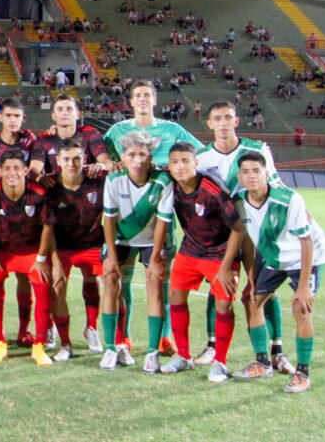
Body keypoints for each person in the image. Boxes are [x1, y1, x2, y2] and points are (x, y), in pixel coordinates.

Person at [194, 101, 291, 372]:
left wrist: (293, 212)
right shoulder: (202, 158)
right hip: (221, 234)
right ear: (209, 123)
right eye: (218, 118)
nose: (223, 123)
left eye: (228, 117)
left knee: (263, 288)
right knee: (218, 287)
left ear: (236, 121)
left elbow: (275, 183)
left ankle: (276, 353)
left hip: (256, 231)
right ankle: (212, 346)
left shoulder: (257, 149)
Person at [232, 153, 325, 394]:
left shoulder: (288, 199)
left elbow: (306, 242)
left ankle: (303, 373)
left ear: (267, 174)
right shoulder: (240, 201)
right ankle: (263, 363)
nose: (251, 176)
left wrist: (304, 286)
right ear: (239, 177)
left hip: (306, 256)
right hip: (275, 257)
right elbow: (255, 239)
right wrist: (253, 277)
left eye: (257, 171)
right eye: (246, 172)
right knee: (252, 301)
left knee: (301, 307)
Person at [152, 143, 244, 382]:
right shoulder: (170, 181)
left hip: (221, 253)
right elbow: (144, 169)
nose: (180, 166)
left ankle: (220, 362)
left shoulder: (212, 189)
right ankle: (183, 356)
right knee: (175, 295)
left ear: (196, 163)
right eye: (175, 161)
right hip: (191, 249)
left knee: (223, 305)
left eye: (185, 161)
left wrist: (226, 267)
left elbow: (238, 228)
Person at [97, 131, 175, 373]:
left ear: (150, 156)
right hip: (121, 239)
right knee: (111, 282)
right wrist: (110, 255)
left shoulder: (162, 181)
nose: (138, 159)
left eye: (143, 154)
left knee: (155, 284)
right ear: (123, 156)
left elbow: (163, 221)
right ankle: (111, 346)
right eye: (132, 154)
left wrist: (155, 257)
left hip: (153, 239)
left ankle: (152, 352)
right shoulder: (114, 179)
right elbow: (109, 220)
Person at [0, 150, 56, 367]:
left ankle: (38, 344)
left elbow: (48, 225)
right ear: (0, 171)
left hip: (32, 251)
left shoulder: (39, 193)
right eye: (7, 168)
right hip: (3, 251)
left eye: (17, 168)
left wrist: (41, 258)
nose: (12, 173)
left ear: (25, 170)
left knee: (42, 285)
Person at [0, 98, 38, 346]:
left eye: (17, 116)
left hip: (26, 218)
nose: (13, 120)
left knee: (25, 278)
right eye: (8, 115)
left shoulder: (31, 142)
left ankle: (24, 330)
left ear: (23, 119)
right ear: (0, 117)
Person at [46, 138, 107, 361]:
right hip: (61, 247)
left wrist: (105, 166)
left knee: (97, 282)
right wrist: (53, 257)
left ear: (85, 160)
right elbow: (47, 227)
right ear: (58, 161)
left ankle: (91, 328)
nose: (72, 163)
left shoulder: (97, 181)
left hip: (91, 244)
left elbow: (119, 170)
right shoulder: (50, 187)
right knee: (57, 287)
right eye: (67, 159)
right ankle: (65, 342)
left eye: (77, 158)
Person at [29, 95, 113, 181]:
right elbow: (33, 170)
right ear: (53, 116)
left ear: (78, 115)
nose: (64, 113)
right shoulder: (44, 139)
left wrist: (101, 166)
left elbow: (107, 162)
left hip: (87, 189)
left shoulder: (90, 134)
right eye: (60, 109)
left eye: (69, 109)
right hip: (55, 190)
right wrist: (40, 177)